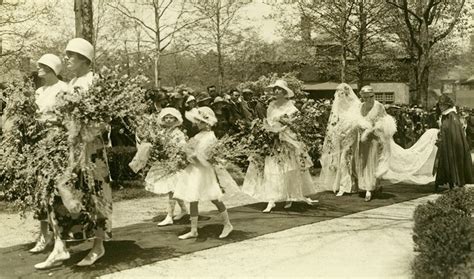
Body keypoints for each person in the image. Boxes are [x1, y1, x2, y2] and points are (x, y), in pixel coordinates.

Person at [35, 38, 112, 269]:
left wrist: (84, 133)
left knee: (96, 193)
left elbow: (104, 118)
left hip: (91, 149)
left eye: (70, 56)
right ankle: (61, 246)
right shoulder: (71, 83)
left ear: (83, 59)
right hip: (70, 147)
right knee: (60, 191)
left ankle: (98, 246)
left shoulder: (96, 81)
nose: (66, 59)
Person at [242, 80, 318, 212]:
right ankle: (272, 199)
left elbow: (295, 126)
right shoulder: (271, 105)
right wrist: (267, 130)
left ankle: (290, 196)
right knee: (272, 169)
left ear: (284, 92)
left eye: (278, 89)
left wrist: (283, 130)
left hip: (287, 141)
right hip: (273, 140)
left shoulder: (291, 107)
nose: (275, 91)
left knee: (289, 168)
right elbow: (268, 122)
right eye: (275, 89)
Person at [173, 107, 237, 239]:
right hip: (194, 170)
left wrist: (196, 157)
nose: (196, 123)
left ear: (207, 123)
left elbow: (208, 158)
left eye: (199, 121)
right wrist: (186, 155)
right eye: (196, 120)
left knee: (215, 198)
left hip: (204, 170)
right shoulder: (198, 135)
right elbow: (190, 149)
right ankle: (194, 230)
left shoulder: (210, 137)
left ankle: (227, 224)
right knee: (193, 198)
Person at [29, 54, 68, 254]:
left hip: (56, 142)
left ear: (52, 68)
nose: (38, 68)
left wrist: (50, 123)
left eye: (42, 65)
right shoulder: (38, 91)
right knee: (40, 189)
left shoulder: (63, 89)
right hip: (40, 142)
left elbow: (66, 118)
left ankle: (59, 235)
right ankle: (44, 235)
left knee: (54, 190)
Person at [319, 83, 368, 196]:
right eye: (338, 94)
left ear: (347, 94)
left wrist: (349, 129)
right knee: (337, 160)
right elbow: (333, 123)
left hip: (350, 136)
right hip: (338, 137)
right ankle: (342, 184)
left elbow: (359, 121)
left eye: (342, 94)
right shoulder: (337, 108)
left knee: (345, 160)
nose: (339, 97)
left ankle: (345, 186)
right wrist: (335, 132)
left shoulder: (356, 105)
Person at [433, 94, 473, 190]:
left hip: (452, 145)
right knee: (443, 163)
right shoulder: (445, 115)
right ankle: (445, 181)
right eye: (440, 105)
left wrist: (443, 135)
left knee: (450, 162)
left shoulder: (451, 115)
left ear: (448, 105)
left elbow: (451, 131)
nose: (441, 107)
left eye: (443, 105)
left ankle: (454, 181)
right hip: (445, 144)